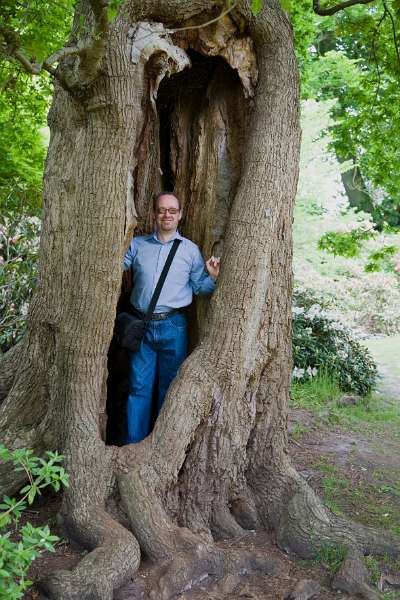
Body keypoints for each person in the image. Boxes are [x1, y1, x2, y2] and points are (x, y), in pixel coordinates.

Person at [123, 192, 220, 443]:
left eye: (172, 210)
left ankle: (161, 446)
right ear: (155, 214)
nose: (167, 215)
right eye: (162, 210)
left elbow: (201, 289)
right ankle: (134, 444)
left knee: (170, 389)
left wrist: (212, 277)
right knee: (138, 389)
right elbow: (114, 265)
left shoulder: (189, 250)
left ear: (180, 215)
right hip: (141, 325)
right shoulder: (137, 245)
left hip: (173, 326)